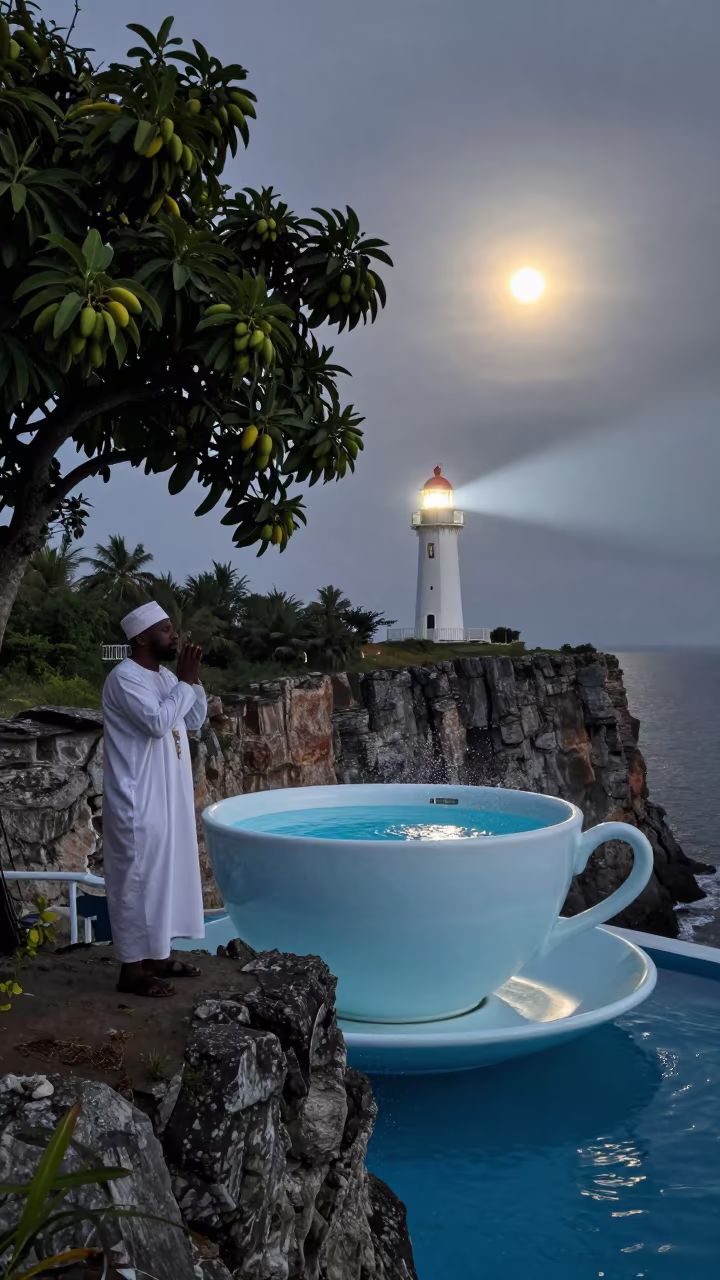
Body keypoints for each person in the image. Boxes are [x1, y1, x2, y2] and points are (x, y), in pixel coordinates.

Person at [102, 601, 207, 997]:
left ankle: (159, 957)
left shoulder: (165, 677)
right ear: (142, 637)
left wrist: (191, 682)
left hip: (170, 796)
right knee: (136, 881)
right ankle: (131, 970)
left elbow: (193, 720)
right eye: (166, 630)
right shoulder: (124, 678)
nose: (174, 635)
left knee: (166, 877)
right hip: (138, 799)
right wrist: (186, 681)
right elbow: (158, 723)